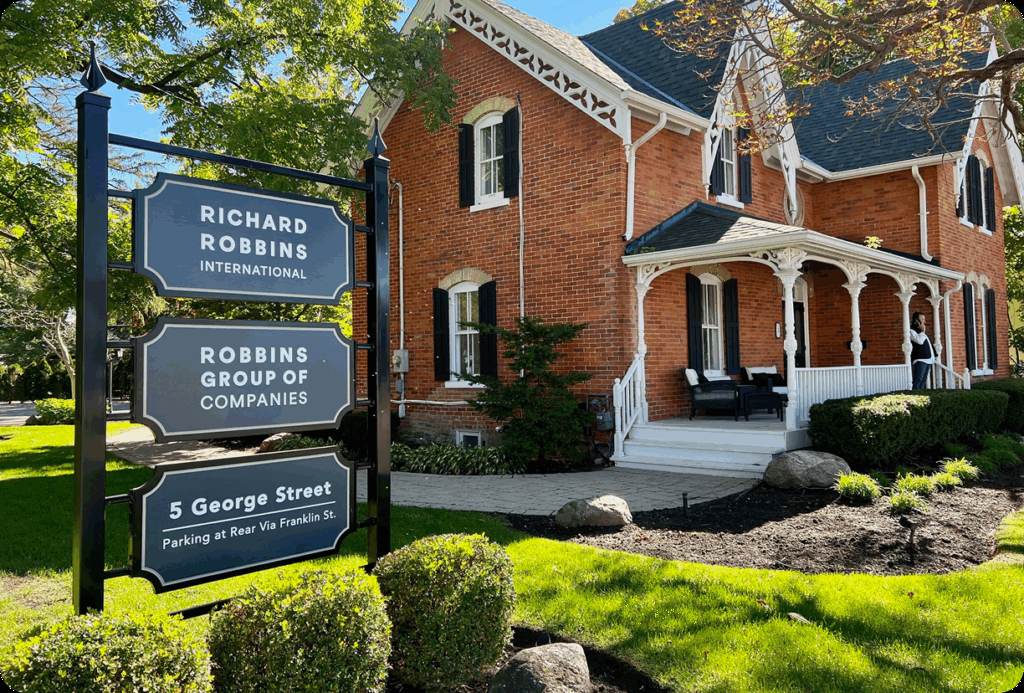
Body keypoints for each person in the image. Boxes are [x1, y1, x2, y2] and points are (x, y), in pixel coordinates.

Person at [909, 311, 935, 389]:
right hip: (920, 359)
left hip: (928, 359)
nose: (924, 321)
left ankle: (922, 396)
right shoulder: (912, 331)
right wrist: (923, 331)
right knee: (918, 380)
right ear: (916, 320)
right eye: (922, 319)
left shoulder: (921, 332)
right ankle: (916, 395)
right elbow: (919, 341)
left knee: (923, 381)